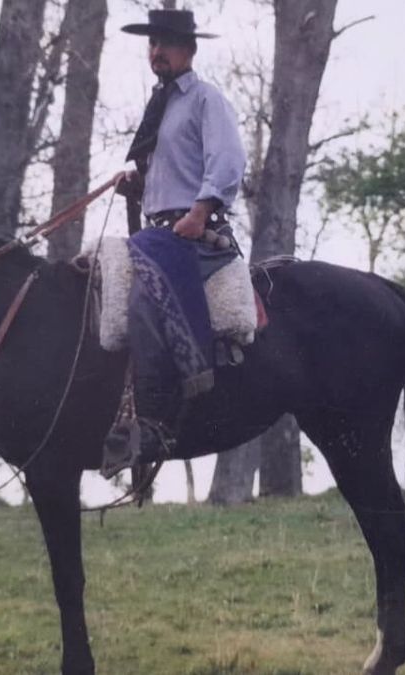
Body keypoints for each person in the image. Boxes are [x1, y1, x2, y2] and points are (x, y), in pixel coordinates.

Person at [102, 9, 247, 477]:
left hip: (195, 234)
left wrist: (199, 213)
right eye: (151, 44)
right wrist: (137, 183)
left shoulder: (206, 100)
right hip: (157, 233)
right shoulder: (159, 105)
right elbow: (168, 172)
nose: (156, 52)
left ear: (189, 49)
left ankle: (156, 422)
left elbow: (227, 160)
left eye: (164, 43)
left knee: (147, 298)